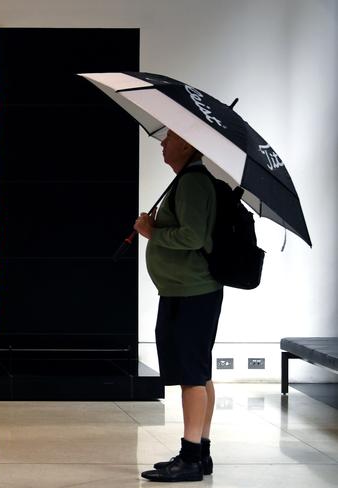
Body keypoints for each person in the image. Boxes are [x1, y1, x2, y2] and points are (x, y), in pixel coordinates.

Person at [134, 129, 223, 483]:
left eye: (169, 138)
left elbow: (193, 236)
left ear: (187, 144)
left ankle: (190, 459)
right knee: (198, 373)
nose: (162, 143)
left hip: (191, 294)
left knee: (191, 376)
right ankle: (199, 452)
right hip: (186, 292)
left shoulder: (192, 182)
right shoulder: (188, 180)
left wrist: (151, 232)